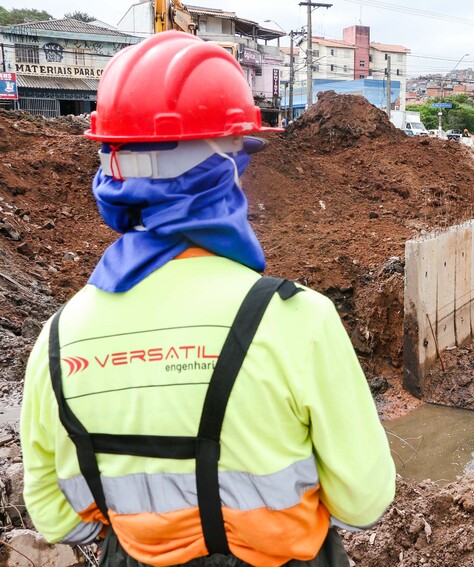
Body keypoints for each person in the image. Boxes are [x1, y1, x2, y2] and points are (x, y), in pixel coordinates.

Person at [20, 31, 395, 567]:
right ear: (222, 170)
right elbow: (364, 500)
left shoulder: (57, 339)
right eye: (241, 157)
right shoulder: (296, 320)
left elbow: (56, 518)